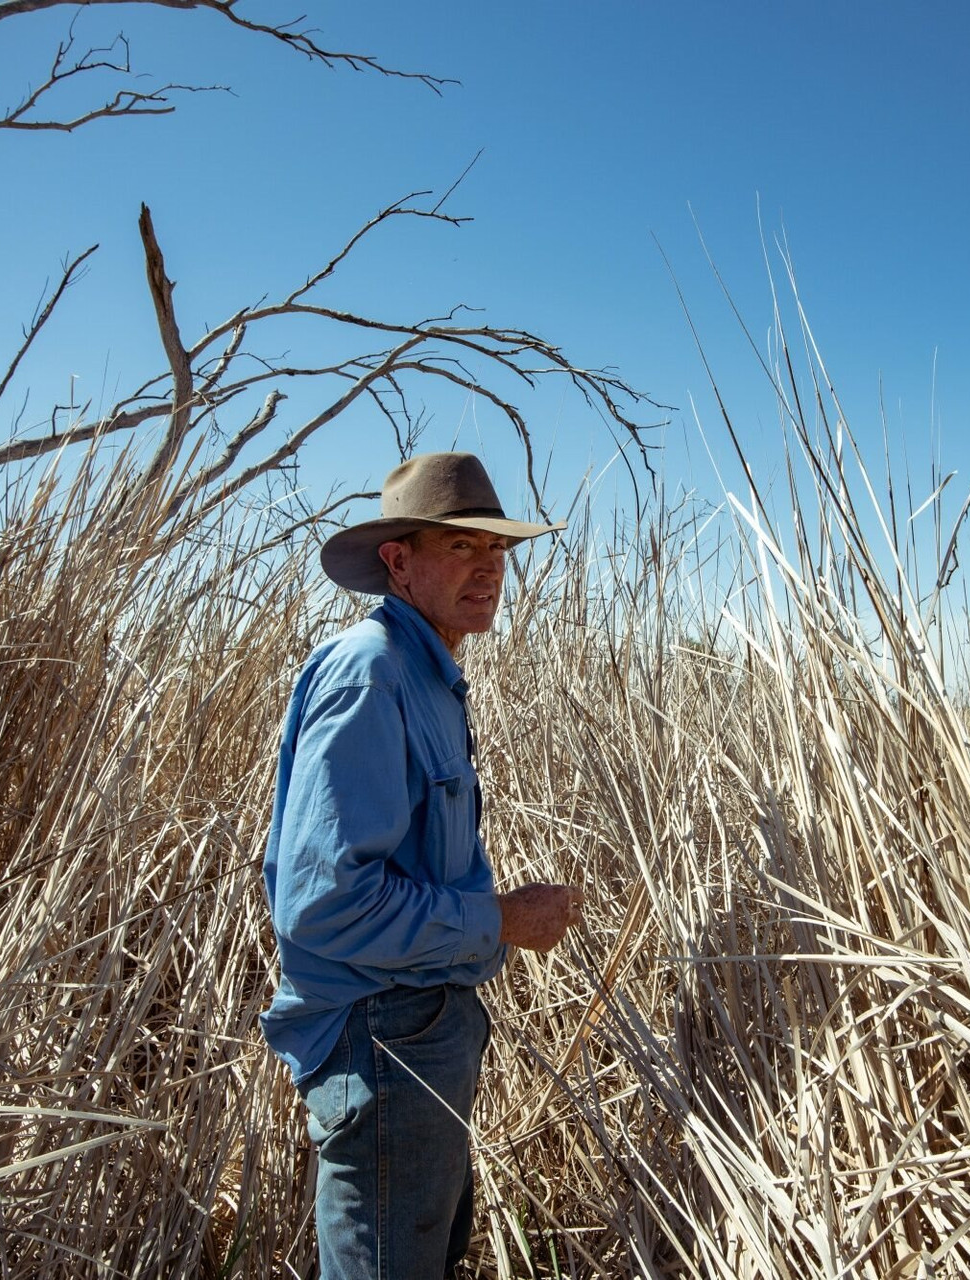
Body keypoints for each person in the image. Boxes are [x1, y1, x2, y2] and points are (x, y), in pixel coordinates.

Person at [259, 452, 585, 1280]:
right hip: (381, 1044)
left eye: (497, 550)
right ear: (398, 561)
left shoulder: (428, 673)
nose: (488, 569)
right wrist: (502, 919)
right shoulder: (373, 671)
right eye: (459, 546)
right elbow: (324, 903)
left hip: (418, 1038)